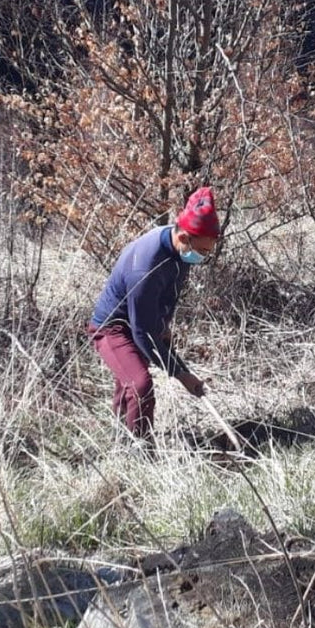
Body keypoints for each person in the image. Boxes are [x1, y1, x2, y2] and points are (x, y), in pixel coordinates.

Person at [87, 187, 218, 442]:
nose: (203, 257)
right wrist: (182, 374)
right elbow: (142, 332)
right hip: (112, 327)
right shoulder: (145, 267)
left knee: (129, 383)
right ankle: (140, 451)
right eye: (202, 251)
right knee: (140, 385)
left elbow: (169, 294)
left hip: (140, 320)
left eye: (208, 252)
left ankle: (121, 439)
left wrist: (164, 324)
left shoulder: (178, 251)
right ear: (183, 237)